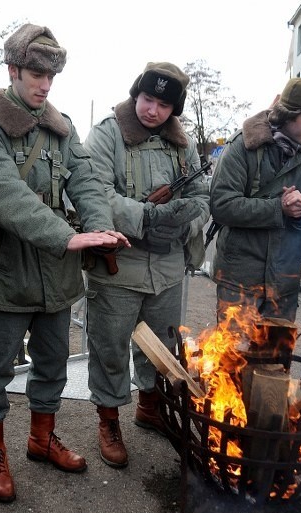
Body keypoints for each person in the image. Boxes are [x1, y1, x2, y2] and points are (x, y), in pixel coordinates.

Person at [0, 23, 129, 503]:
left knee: (53, 361)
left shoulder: (61, 126)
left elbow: (86, 181)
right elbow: (7, 195)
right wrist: (69, 236)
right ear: (13, 69)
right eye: (36, 74)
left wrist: (98, 229)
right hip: (7, 270)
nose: (44, 85)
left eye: (51, 76)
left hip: (56, 273)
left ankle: (41, 438)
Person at [82, 62, 210, 468]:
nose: (152, 110)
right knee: (110, 348)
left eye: (163, 104)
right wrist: (145, 216)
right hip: (120, 265)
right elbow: (93, 191)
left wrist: (186, 216)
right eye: (147, 99)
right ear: (136, 94)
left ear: (175, 109)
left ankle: (150, 408)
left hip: (168, 267)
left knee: (162, 348)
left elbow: (204, 196)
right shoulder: (107, 134)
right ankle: (109, 421)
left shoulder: (183, 144)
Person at [210, 78, 301, 322]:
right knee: (233, 356)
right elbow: (222, 205)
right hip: (240, 281)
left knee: (274, 359)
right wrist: (279, 208)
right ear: (288, 115)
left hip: (285, 280)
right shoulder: (243, 146)